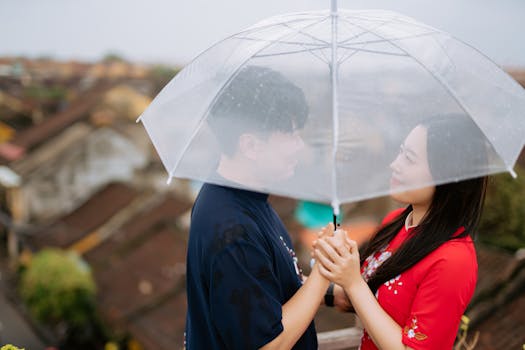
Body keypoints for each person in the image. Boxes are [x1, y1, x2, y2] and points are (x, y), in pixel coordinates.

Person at [313, 115, 489, 350]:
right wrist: (307, 277)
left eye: (409, 158)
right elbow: (358, 298)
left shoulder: (454, 260)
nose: (395, 164)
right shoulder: (395, 222)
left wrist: (353, 282)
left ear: (446, 175)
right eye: (401, 152)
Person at [185, 65, 329, 350]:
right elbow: (268, 344)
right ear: (250, 146)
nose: (300, 146)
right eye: (291, 134)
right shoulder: (231, 229)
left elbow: (264, 285)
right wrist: (324, 274)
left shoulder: (242, 198)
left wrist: (332, 292)